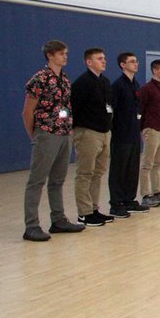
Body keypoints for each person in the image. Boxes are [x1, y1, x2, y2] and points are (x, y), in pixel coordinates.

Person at [21, 40, 85, 241]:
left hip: (64, 132)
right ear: (50, 55)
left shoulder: (64, 79)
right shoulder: (39, 79)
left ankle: (58, 219)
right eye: (61, 53)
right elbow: (27, 111)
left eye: (66, 53)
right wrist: (36, 135)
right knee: (37, 180)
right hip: (46, 133)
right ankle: (31, 225)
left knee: (57, 180)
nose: (65, 57)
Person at [71, 48, 114, 224]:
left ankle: (94, 208)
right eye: (99, 59)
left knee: (98, 173)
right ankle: (84, 212)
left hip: (104, 132)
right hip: (88, 132)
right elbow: (73, 107)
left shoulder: (104, 81)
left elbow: (108, 105)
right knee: (85, 173)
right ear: (89, 62)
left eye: (104, 58)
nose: (104, 61)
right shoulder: (82, 82)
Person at [109, 53, 148, 216]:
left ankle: (129, 199)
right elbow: (112, 110)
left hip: (133, 133)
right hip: (121, 134)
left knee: (132, 168)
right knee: (119, 168)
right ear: (122, 65)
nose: (136, 64)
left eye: (136, 61)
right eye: (132, 62)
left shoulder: (135, 84)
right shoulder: (118, 85)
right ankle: (116, 203)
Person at [137, 59, 160, 207]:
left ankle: (157, 191)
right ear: (155, 70)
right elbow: (140, 110)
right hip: (151, 129)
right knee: (147, 163)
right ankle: (146, 194)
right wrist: (142, 129)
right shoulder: (147, 89)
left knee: (158, 163)